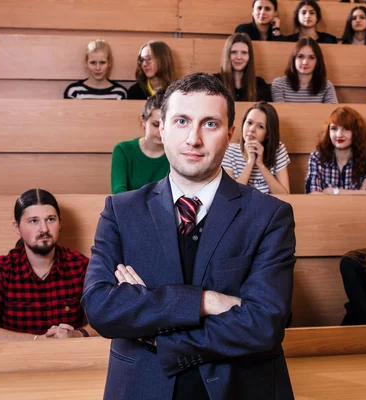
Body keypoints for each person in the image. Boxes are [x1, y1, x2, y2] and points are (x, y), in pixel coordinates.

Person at [82, 73, 296, 400]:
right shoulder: (121, 211)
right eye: (182, 121)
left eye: (210, 124)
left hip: (241, 387)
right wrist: (204, 301)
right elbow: (101, 308)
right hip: (142, 387)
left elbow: (264, 324)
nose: (193, 139)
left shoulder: (270, 215)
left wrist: (161, 334)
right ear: (162, 128)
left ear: (230, 134)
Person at [0, 189, 94, 341]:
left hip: (69, 359)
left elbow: (109, 320)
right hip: (13, 360)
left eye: (50, 219)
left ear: (60, 223)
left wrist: (77, 334)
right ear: (17, 227)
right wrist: (36, 340)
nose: (44, 229)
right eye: (34, 221)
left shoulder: (80, 266)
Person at [305, 106, 366, 194]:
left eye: (346, 129)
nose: (339, 134)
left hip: (360, 208)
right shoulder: (316, 157)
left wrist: (333, 191)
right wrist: (360, 192)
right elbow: (312, 194)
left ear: (356, 132)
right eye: (334, 129)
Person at [222, 102, 290, 194]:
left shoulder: (278, 149)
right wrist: (250, 162)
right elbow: (231, 195)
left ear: (268, 134)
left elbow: (285, 195)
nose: (252, 129)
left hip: (270, 207)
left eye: (260, 126)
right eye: (249, 123)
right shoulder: (229, 150)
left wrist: (260, 164)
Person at [111, 92, 170, 194]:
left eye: (166, 125)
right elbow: (119, 193)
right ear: (143, 120)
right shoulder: (123, 150)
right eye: (156, 124)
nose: (161, 131)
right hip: (129, 209)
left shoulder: (175, 153)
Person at [271, 38, 338, 103]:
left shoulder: (327, 86)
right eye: (300, 56)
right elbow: (280, 112)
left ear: (317, 61)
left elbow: (333, 112)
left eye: (311, 58)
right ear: (294, 59)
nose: (305, 62)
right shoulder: (279, 84)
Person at [214, 33, 272, 102]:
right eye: (234, 52)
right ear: (227, 55)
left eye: (244, 53)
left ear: (249, 56)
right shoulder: (214, 82)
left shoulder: (259, 84)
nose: (239, 57)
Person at [63, 39, 127, 100]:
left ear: (109, 63)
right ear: (86, 63)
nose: (98, 68)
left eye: (102, 62)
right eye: (93, 63)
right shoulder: (74, 91)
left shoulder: (120, 92)